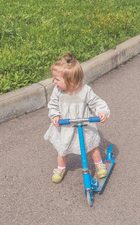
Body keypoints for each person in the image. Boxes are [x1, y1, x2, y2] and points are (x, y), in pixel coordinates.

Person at [44, 52, 110, 183]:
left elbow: (97, 102)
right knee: (62, 149)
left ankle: (99, 164)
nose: (54, 81)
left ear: (71, 81)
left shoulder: (85, 91)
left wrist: (102, 112)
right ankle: (60, 167)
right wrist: (55, 115)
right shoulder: (58, 92)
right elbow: (53, 105)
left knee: (91, 147)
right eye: (54, 78)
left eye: (57, 79)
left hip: (85, 125)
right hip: (66, 126)